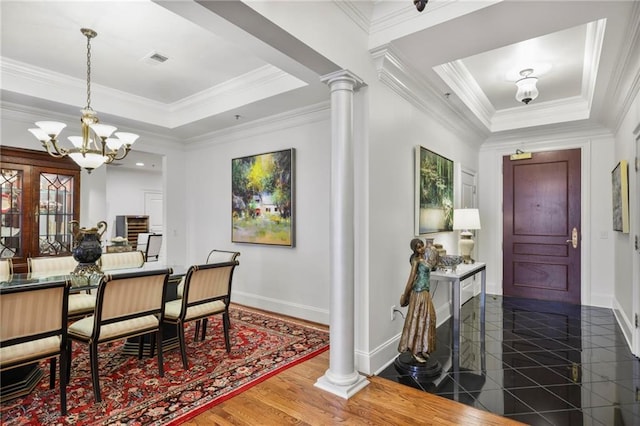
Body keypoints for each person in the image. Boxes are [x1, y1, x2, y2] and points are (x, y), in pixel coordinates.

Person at [398, 238, 437, 363]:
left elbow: (434, 264)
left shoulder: (424, 259)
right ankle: (415, 350)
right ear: (415, 249)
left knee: (428, 318)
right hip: (418, 292)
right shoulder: (416, 261)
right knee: (418, 320)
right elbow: (411, 280)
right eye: (418, 247)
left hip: (425, 291)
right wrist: (405, 295)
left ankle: (423, 348)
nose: (421, 248)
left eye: (422, 246)